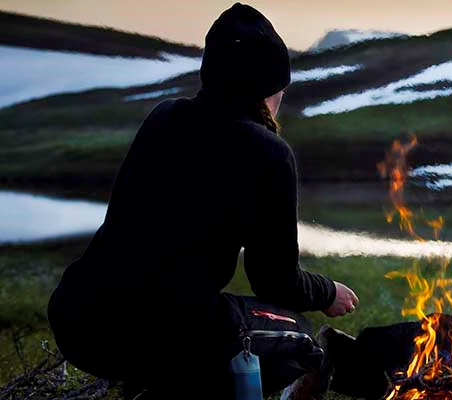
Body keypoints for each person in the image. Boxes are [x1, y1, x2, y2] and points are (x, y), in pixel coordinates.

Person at [46, 3, 359, 399]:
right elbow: (274, 280)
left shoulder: (165, 117)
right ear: (269, 85)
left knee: (182, 321)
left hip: (79, 319)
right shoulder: (268, 153)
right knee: (296, 336)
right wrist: (327, 292)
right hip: (155, 333)